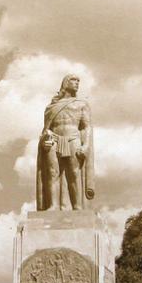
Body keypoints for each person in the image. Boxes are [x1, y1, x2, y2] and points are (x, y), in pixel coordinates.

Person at [36, 74, 94, 211]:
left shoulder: (82, 104)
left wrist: (85, 145)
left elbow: (87, 127)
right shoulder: (51, 107)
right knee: (52, 173)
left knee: (73, 173)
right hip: (54, 139)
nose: (77, 83)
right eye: (74, 80)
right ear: (65, 83)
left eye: (78, 81)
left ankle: (77, 207)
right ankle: (52, 206)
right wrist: (45, 140)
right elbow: (46, 129)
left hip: (72, 138)